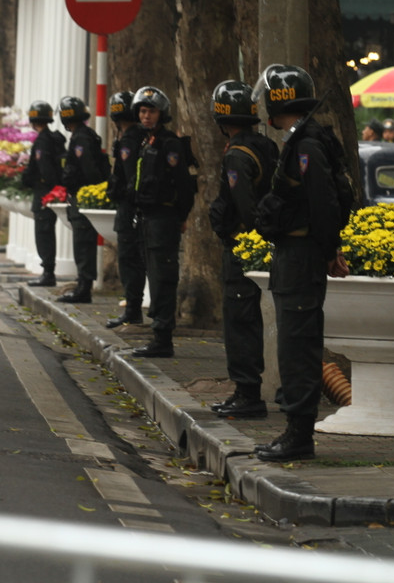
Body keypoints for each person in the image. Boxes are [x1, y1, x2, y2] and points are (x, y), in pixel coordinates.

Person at [252, 64, 350, 463]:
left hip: (301, 256)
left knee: (298, 347)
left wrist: (329, 250)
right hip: (295, 255)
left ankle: (299, 435)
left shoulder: (307, 145)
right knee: (294, 344)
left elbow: (323, 203)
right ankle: (295, 431)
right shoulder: (302, 139)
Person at [206, 80, 278, 419]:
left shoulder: (236, 154)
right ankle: (247, 390)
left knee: (239, 320)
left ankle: (247, 393)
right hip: (259, 246)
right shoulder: (264, 145)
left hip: (242, 248)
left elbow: (245, 206)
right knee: (248, 319)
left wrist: (244, 239)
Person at [125, 86, 196, 359]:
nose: (146, 116)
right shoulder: (147, 142)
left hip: (163, 219)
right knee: (153, 278)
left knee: (163, 279)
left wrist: (180, 217)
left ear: (161, 113)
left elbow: (184, 186)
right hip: (146, 219)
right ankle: (158, 334)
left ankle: (163, 338)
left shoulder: (169, 144)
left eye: (151, 111)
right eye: (142, 111)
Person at [58, 97, 107, 304]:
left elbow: (89, 170)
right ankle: (82, 285)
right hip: (82, 195)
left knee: (83, 244)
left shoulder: (81, 139)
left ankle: (84, 288)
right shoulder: (83, 136)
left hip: (83, 196)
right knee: (82, 244)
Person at [105, 90, 147, 328]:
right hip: (136, 210)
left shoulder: (129, 140)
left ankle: (132, 309)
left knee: (129, 260)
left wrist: (118, 193)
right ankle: (133, 308)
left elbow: (130, 178)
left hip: (130, 210)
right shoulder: (139, 137)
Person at [20, 100, 66, 287]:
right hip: (52, 192)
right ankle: (48, 271)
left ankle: (48, 273)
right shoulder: (55, 138)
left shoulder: (42, 141)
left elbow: (43, 169)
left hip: (44, 193)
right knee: (47, 231)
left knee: (43, 233)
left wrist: (30, 181)